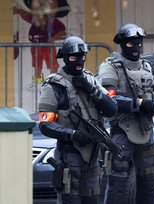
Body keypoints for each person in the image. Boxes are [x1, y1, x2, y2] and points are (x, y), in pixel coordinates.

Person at [96, 23, 154, 204]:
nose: (136, 47)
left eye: (138, 42)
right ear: (122, 43)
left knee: (147, 183)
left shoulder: (149, 68)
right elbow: (108, 99)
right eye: (131, 43)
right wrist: (138, 103)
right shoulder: (111, 66)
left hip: (146, 132)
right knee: (118, 183)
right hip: (122, 131)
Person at [38, 36, 118, 204]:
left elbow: (112, 109)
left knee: (92, 200)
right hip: (69, 155)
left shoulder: (90, 80)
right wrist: (73, 134)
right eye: (74, 57)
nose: (79, 61)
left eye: (82, 56)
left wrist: (92, 90)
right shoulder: (54, 86)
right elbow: (45, 125)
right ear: (65, 58)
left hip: (92, 156)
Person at [14, 0, 70, 83]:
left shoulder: (54, 22)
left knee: (52, 64)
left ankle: (54, 80)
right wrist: (18, 11)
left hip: (48, 46)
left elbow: (64, 34)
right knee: (37, 64)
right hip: (35, 45)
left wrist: (53, 38)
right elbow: (26, 15)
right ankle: (37, 80)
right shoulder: (35, 19)